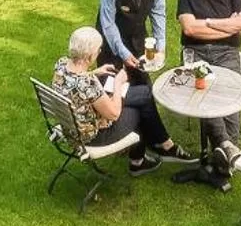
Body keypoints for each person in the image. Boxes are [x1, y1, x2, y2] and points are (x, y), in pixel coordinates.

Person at [51, 27, 192, 175]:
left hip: (73, 128)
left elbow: (76, 81)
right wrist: (118, 83)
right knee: (140, 107)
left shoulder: (62, 65)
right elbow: (114, 114)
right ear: (89, 55)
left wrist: (94, 72)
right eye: (99, 50)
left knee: (143, 94)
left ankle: (157, 147)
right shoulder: (88, 85)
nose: (100, 52)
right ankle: (142, 159)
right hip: (94, 136)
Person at [175, 0, 241, 189]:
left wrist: (205, 23)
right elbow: (189, 28)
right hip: (195, 52)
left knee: (231, 94)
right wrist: (223, 25)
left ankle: (224, 153)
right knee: (204, 91)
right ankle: (228, 148)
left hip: (227, 52)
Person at [98, 0, 168, 84]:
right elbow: (108, 23)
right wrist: (123, 52)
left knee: (143, 88)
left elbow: (158, 12)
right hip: (111, 39)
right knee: (111, 87)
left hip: (137, 37)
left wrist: (160, 46)